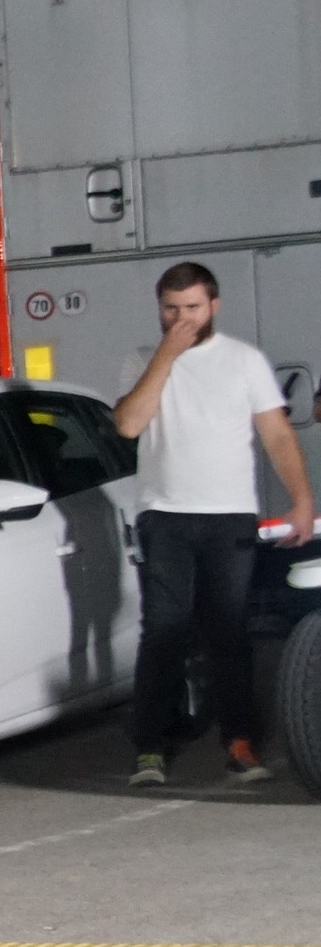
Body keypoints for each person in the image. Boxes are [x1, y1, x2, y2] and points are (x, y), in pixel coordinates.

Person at [110, 264, 315, 785]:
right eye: (171, 309)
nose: (181, 318)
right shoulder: (141, 359)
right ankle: (150, 748)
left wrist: (301, 501)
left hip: (229, 516)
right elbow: (129, 423)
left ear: (214, 306)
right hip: (165, 515)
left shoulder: (243, 361)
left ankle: (241, 742)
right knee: (163, 631)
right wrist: (166, 356)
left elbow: (276, 435)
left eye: (192, 308)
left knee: (228, 630)